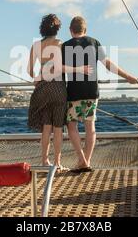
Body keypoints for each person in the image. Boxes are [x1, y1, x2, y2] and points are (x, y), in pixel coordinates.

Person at [62, 16, 138, 172]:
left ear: (70, 30)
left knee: (72, 126)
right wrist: (128, 76)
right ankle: (87, 161)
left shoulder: (65, 46)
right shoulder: (94, 42)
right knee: (90, 127)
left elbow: (59, 69)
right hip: (91, 91)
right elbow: (108, 64)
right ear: (85, 30)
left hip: (73, 93)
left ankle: (81, 160)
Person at [27, 14, 92, 172]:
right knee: (58, 128)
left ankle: (44, 161)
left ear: (42, 28)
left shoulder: (35, 45)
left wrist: (38, 78)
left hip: (42, 89)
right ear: (57, 28)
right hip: (58, 88)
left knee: (46, 128)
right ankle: (57, 163)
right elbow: (60, 68)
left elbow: (30, 71)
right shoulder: (60, 44)